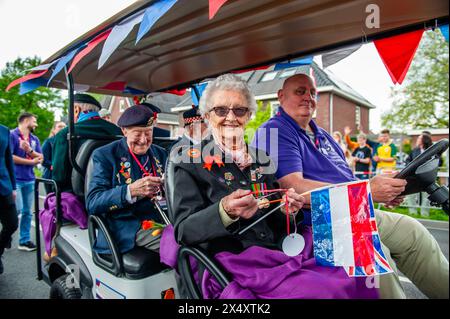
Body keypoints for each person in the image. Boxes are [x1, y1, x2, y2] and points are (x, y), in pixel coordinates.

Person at [170, 74, 378, 299]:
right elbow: (183, 231)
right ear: (207, 115)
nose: (230, 117)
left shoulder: (262, 158)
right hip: (232, 263)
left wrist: (287, 211)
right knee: (325, 290)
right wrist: (225, 211)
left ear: (249, 115)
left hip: (277, 254)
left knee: (355, 266)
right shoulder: (187, 161)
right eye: (221, 110)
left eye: (239, 110)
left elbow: (276, 220)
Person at [252, 73, 448, 299]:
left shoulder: (322, 134)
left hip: (356, 209)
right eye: (300, 91)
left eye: (313, 93)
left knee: (413, 232)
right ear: (280, 96)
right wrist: (366, 191)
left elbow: (347, 179)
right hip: (319, 221)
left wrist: (380, 191)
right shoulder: (273, 131)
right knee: (375, 255)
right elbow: (294, 187)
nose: (309, 97)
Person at [86, 104, 168, 254]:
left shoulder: (161, 153)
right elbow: (93, 202)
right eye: (137, 133)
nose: (143, 140)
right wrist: (131, 191)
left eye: (148, 133)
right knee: (180, 247)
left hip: (164, 217)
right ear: (124, 131)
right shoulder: (105, 155)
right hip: (128, 224)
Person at [52, 94, 123, 192]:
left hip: (78, 194)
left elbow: (59, 176)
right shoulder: (118, 131)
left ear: (76, 110)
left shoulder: (65, 134)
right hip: (114, 190)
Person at [10, 113, 43, 252]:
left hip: (29, 179)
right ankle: (6, 234)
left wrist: (29, 150)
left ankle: (24, 241)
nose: (36, 124)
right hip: (14, 179)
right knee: (15, 210)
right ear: (26, 121)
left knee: (27, 212)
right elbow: (9, 157)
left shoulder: (34, 139)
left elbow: (41, 157)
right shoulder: (11, 135)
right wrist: (31, 161)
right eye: (34, 121)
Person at [0, 125, 19, 273]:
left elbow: (8, 160)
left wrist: (13, 186)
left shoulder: (4, 130)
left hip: (4, 186)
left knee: (12, 223)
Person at [41, 121, 66, 194]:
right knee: (51, 199)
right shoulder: (48, 142)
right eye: (60, 126)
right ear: (54, 130)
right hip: (50, 175)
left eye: (64, 127)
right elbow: (43, 160)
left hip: (63, 176)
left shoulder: (68, 141)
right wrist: (53, 166)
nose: (62, 128)